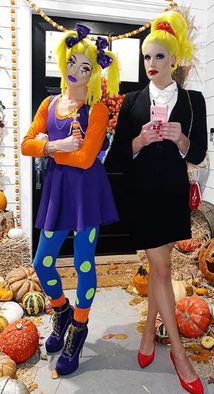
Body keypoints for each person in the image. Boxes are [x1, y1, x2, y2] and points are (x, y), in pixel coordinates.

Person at [107, 10, 207, 394]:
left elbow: (196, 154)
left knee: (159, 270)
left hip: (172, 196)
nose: (151, 64)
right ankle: (179, 353)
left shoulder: (193, 102)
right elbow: (115, 159)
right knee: (163, 272)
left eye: (159, 56)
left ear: (174, 58)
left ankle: (149, 332)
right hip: (144, 196)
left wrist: (181, 139)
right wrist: (139, 141)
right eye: (147, 57)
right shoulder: (132, 102)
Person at [21, 24, 119, 376]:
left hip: (86, 194)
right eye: (73, 62)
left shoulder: (97, 111)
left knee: (83, 264)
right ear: (64, 60)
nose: (76, 71)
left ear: (93, 75)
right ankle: (61, 310)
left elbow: (87, 158)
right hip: (58, 193)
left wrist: (49, 150)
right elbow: (26, 144)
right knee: (43, 262)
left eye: (85, 67)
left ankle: (78, 328)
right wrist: (56, 146)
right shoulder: (49, 104)